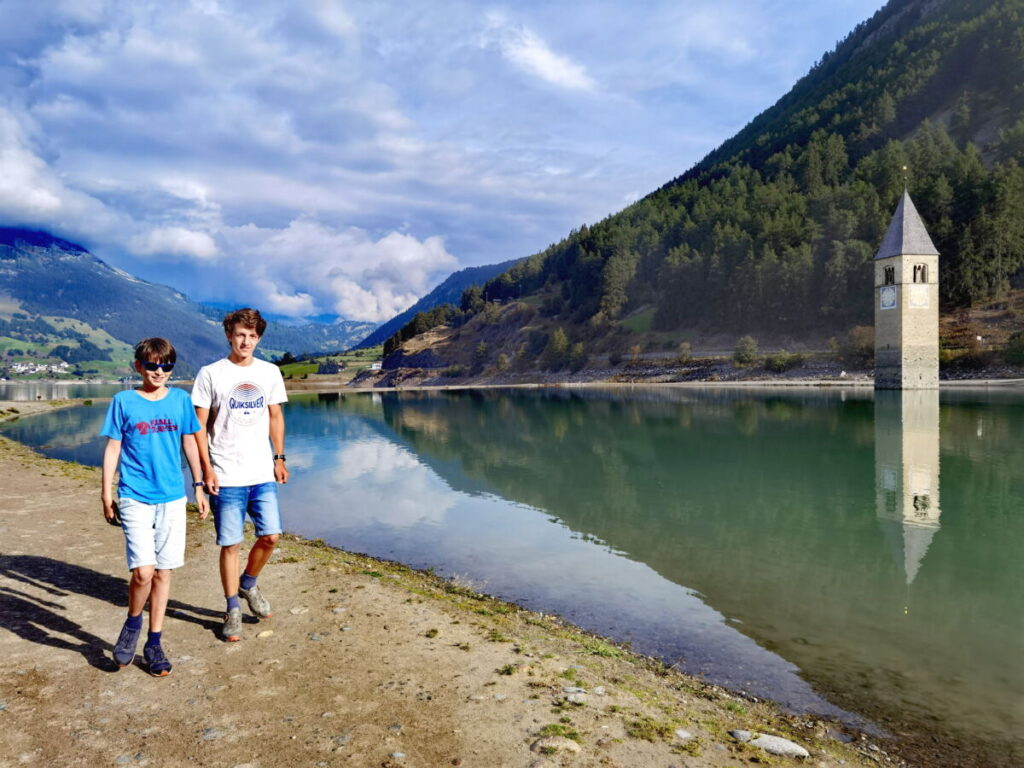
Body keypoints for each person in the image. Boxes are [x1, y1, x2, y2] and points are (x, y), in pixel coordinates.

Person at [101, 337, 208, 676]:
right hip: (134, 495)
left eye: (166, 365)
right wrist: (106, 492)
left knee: (163, 572)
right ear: (139, 366)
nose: (159, 371)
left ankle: (154, 640)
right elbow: (113, 448)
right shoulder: (123, 401)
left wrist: (199, 486)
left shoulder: (180, 400)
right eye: (152, 365)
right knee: (143, 572)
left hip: (173, 497)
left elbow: (190, 442)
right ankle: (133, 623)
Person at [192, 308, 289, 641]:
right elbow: (198, 428)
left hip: (261, 472)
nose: (245, 341)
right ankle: (232, 607)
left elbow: (275, 417)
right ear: (229, 335)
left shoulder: (270, 372)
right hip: (225, 474)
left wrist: (278, 457)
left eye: (251, 335)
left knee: (271, 535)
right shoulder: (210, 374)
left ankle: (248, 583)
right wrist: (206, 472)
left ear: (258, 338)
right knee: (231, 543)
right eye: (239, 334)